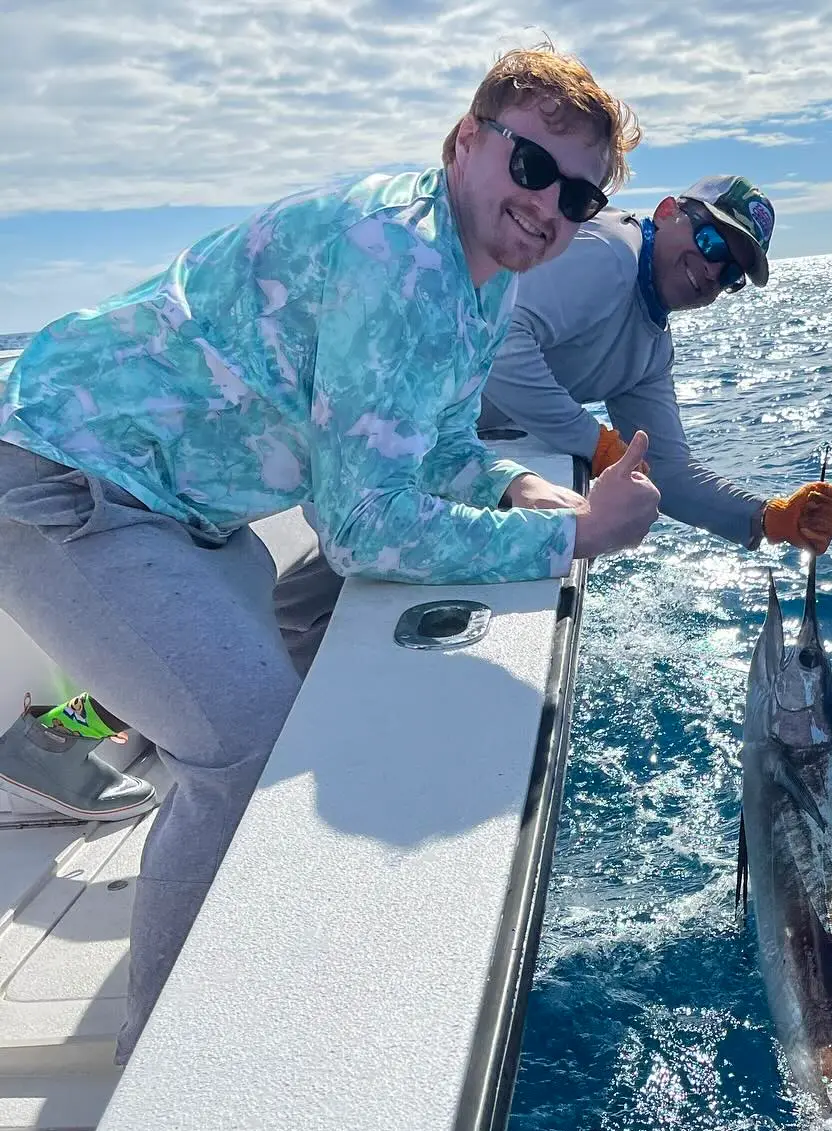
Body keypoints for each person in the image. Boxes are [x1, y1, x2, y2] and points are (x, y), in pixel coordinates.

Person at [0, 44, 655, 1063]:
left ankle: (78, 729)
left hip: (187, 508)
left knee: (257, 640)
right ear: (467, 143)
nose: (550, 206)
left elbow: (430, 445)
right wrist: (571, 531)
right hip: (64, 478)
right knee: (246, 738)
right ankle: (171, 1071)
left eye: (578, 195)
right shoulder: (392, 252)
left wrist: (512, 483)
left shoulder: (485, 280)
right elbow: (360, 534)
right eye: (533, 168)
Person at [476, 175, 832, 556]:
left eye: (732, 275)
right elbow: (500, 342)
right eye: (712, 242)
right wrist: (594, 444)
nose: (713, 272)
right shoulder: (614, 252)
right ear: (667, 211)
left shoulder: (649, 350)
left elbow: (664, 470)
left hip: (448, 439)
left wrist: (769, 517)